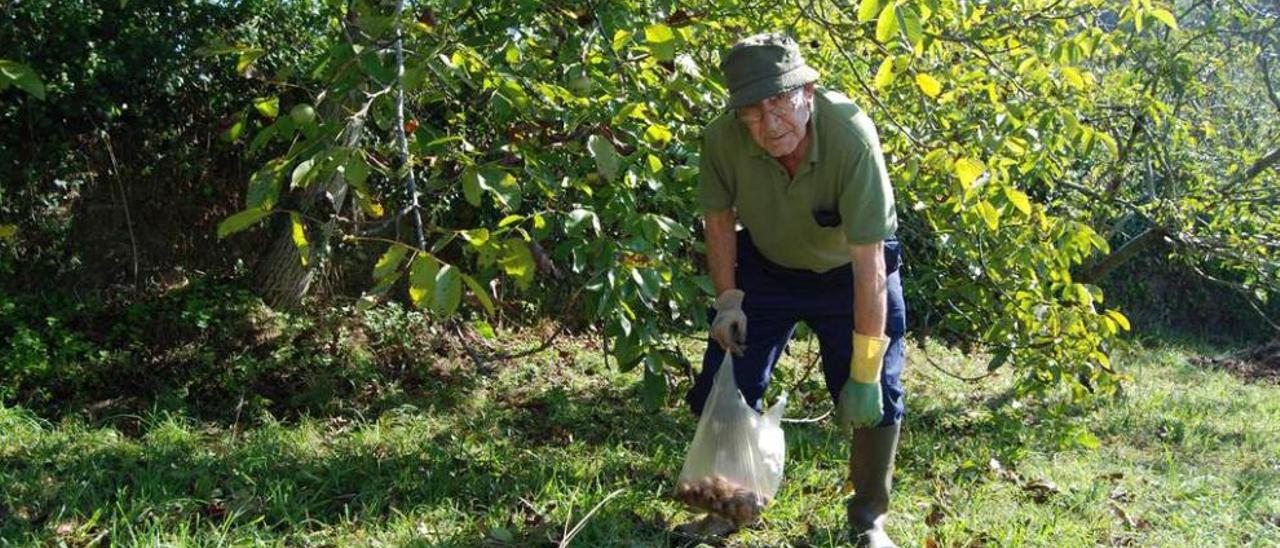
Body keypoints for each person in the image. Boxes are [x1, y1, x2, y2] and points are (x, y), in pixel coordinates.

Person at [681, 33, 907, 548]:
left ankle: (868, 518)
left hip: (850, 271)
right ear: (737, 116)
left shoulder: (850, 135)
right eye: (753, 113)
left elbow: (870, 260)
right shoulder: (721, 140)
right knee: (727, 375)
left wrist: (865, 371)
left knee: (881, 395)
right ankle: (726, 505)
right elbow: (718, 222)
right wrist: (729, 301)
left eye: (780, 102)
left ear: (807, 91)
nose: (770, 123)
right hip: (769, 265)